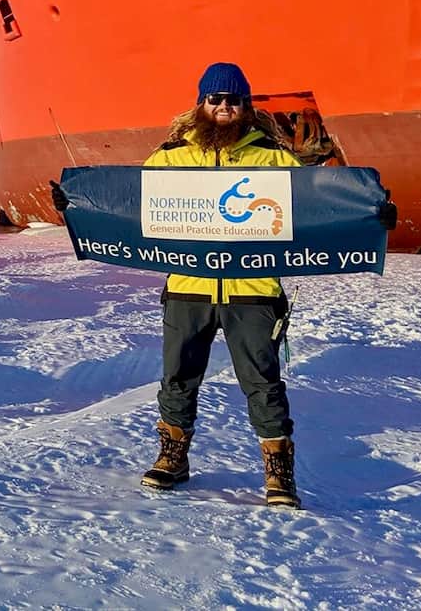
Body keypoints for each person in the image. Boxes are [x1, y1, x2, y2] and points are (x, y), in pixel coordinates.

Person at [139, 62, 303, 508]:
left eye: (234, 100)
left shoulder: (271, 156)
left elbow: (315, 204)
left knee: (263, 383)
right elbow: (132, 203)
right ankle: (173, 457)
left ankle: (279, 473)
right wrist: (77, 205)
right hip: (188, 286)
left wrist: (368, 216)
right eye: (216, 99)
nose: (225, 107)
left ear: (246, 105)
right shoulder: (171, 155)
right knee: (178, 378)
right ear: (201, 103)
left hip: (253, 291)